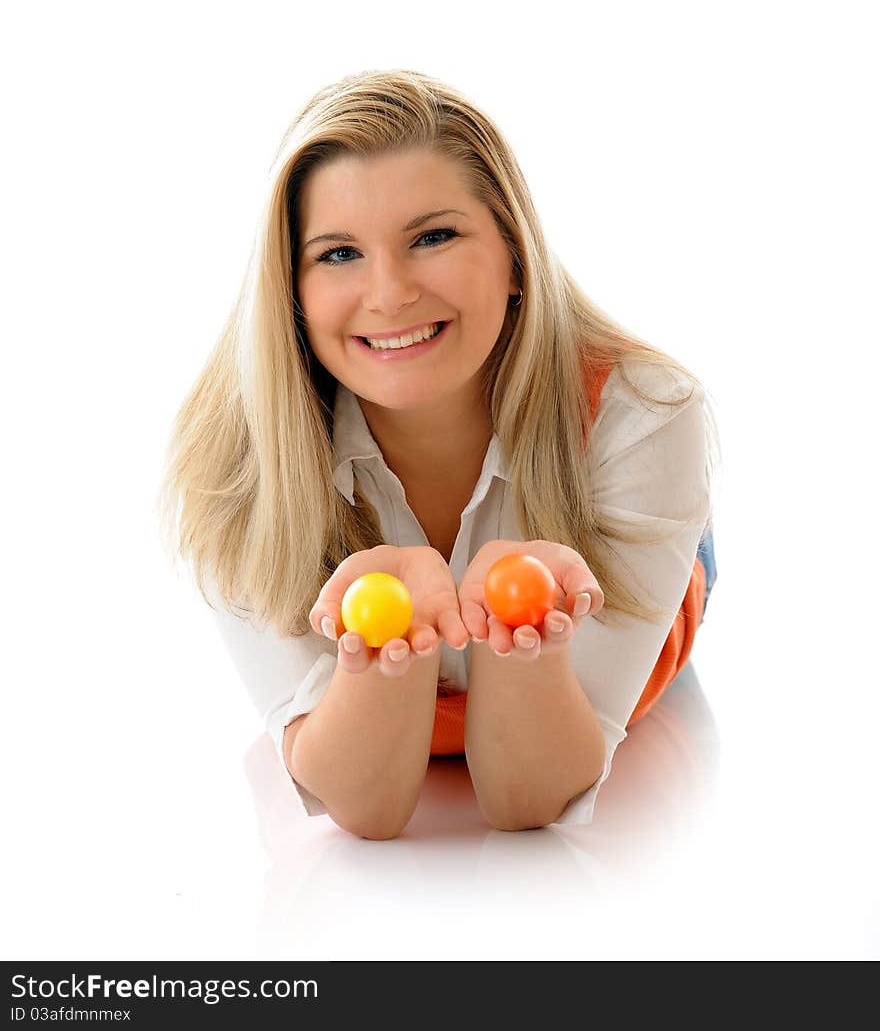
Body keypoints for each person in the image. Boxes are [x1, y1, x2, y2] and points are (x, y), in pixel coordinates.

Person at [158, 68, 721, 841]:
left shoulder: (645, 414)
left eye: (433, 236)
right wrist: (380, 648)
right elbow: (366, 808)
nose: (388, 293)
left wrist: (524, 639)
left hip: (618, 564)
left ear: (516, 256)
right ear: (289, 288)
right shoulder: (233, 456)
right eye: (337, 253)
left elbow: (531, 800)